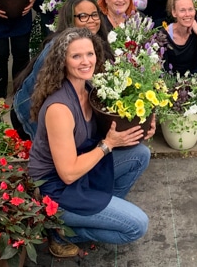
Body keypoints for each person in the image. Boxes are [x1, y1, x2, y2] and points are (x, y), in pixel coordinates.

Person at [28, 28, 153, 256]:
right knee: (137, 226)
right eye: (76, 56)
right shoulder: (60, 108)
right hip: (58, 189)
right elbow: (67, 173)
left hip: (84, 170)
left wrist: (143, 127)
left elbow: (113, 129)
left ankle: (99, 211)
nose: (86, 61)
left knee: (140, 154)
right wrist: (107, 145)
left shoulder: (89, 89)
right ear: (62, 61)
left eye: (90, 54)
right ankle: (64, 229)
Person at [11, 0, 110, 140]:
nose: (91, 20)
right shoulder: (59, 46)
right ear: (70, 19)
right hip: (29, 115)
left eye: (94, 14)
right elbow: (52, 95)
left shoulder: (92, 42)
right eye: (83, 16)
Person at [163, 0, 197, 136]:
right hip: (172, 78)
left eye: (190, 9)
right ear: (174, 13)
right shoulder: (164, 33)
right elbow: (162, 68)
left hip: (193, 75)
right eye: (182, 10)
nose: (187, 14)